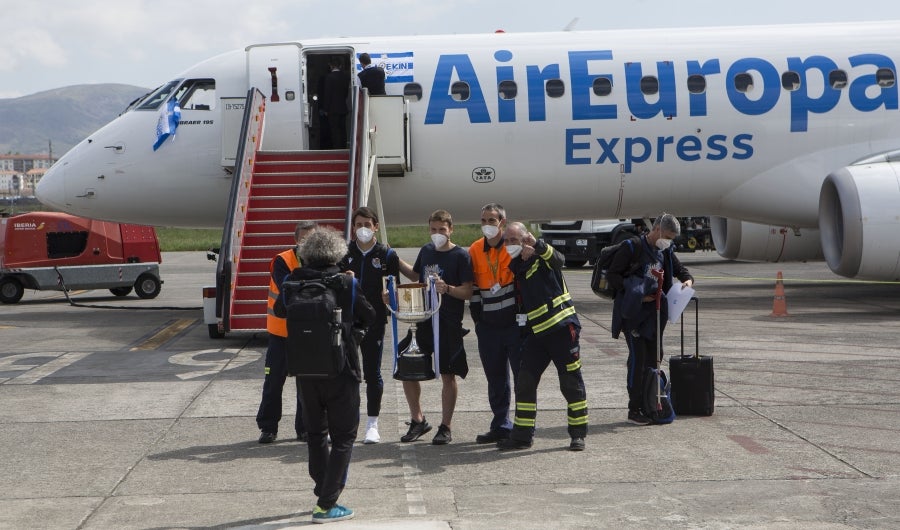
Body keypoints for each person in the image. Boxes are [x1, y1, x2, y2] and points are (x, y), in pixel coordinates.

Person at [275, 227, 376, 523]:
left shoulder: (292, 281)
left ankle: (322, 489)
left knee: (316, 434)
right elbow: (369, 314)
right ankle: (326, 503)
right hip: (340, 368)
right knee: (344, 436)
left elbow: (281, 311)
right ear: (338, 252)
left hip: (304, 369)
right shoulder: (345, 282)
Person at [497, 222, 588, 452]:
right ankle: (522, 436)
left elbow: (559, 259)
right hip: (536, 335)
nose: (509, 245)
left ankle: (578, 435)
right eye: (506, 241)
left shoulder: (542, 253)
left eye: (514, 240)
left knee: (570, 384)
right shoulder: (518, 263)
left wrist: (537, 245)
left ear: (526, 238)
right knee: (525, 382)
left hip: (562, 330)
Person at [607, 213, 694, 425]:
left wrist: (688, 282)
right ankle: (634, 408)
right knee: (638, 359)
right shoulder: (632, 247)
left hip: (654, 315)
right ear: (656, 230)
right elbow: (613, 275)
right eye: (667, 236)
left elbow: (681, 270)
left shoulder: (664, 251)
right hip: (633, 313)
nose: (669, 241)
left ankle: (649, 402)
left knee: (655, 357)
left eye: (672, 238)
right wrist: (636, 294)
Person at [396, 209, 473, 445]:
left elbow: (467, 291)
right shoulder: (427, 250)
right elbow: (416, 276)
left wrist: (448, 289)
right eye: (433, 229)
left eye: (442, 229)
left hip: (448, 322)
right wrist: (394, 258)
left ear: (451, 229)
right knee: (405, 362)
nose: (437, 234)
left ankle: (446, 426)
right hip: (424, 321)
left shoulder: (461, 256)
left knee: (448, 375)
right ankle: (418, 420)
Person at [338, 206, 400, 444]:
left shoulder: (387, 254)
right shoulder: (343, 253)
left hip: (374, 321)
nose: (362, 229)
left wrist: (389, 297)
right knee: (345, 373)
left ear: (375, 226)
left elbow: (396, 287)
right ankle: (344, 423)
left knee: (372, 373)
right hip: (347, 321)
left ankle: (372, 424)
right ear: (352, 227)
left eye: (367, 224)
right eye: (358, 225)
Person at [256, 221, 317, 444]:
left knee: (306, 384)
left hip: (306, 333)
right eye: (303, 238)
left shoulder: (322, 260)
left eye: (311, 239)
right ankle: (268, 427)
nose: (307, 243)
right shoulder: (282, 260)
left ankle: (304, 428)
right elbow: (287, 287)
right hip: (281, 333)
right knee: (273, 382)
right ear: (296, 240)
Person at [468, 203, 522, 444]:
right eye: (483, 221)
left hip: (514, 324)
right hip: (489, 326)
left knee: (522, 377)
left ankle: (522, 425)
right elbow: (475, 287)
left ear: (502, 221)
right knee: (495, 378)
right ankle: (501, 423)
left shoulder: (512, 246)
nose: (487, 225)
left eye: (492, 220)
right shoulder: (474, 249)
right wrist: (479, 320)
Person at [321, 56, 350, 149]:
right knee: (343, 129)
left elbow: (327, 94)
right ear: (340, 66)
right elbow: (346, 92)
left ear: (331, 66)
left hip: (332, 109)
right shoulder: (345, 77)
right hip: (343, 107)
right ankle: (344, 146)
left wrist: (325, 109)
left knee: (335, 130)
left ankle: (337, 148)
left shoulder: (329, 77)